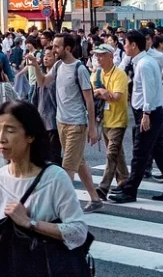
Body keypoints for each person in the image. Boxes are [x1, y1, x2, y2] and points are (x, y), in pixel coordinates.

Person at [0, 101, 89, 277]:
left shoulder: (55, 178)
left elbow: (78, 232)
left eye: (10, 130)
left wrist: (29, 223)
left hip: (48, 269)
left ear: (30, 135)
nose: (1, 138)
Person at [109, 31, 163, 204]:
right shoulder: (141, 62)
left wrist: (146, 114)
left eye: (125, 43)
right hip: (148, 111)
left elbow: (149, 91)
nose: (123, 47)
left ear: (134, 45)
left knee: (140, 153)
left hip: (148, 112)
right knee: (160, 153)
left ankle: (130, 190)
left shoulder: (144, 64)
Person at [50, 34, 102, 210]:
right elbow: (43, 82)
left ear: (68, 49)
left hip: (76, 124)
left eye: (57, 46)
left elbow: (89, 100)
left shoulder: (79, 69)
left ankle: (63, 209)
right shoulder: (58, 65)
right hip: (61, 121)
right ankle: (95, 199)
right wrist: (34, 64)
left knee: (68, 167)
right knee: (78, 162)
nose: (53, 49)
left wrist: (92, 128)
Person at [91, 44, 129, 200]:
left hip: (118, 120)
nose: (98, 58)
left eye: (101, 55)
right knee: (117, 153)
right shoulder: (96, 74)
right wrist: (101, 91)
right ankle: (124, 181)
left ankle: (103, 187)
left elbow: (117, 96)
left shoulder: (119, 74)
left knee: (111, 153)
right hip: (104, 120)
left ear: (110, 56)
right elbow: (90, 94)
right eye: (96, 55)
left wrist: (101, 93)